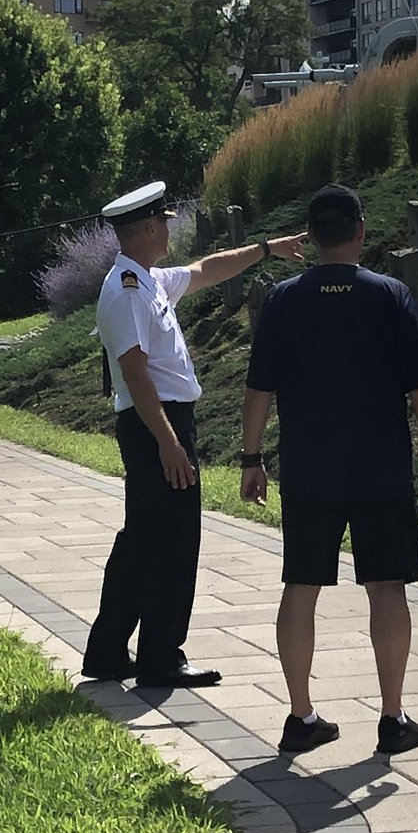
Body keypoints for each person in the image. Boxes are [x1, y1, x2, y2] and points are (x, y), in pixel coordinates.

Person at [240, 182, 418, 754]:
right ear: (360, 232)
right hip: (380, 467)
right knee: (387, 585)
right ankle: (392, 718)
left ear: (308, 239)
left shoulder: (282, 299)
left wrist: (252, 458)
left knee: (300, 586)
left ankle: (301, 716)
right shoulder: (390, 296)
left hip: (309, 469)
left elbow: (259, 388)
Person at [82, 180, 306, 688]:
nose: (168, 231)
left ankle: (108, 652)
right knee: (172, 541)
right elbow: (136, 374)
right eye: (162, 223)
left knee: (144, 539)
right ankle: (161, 656)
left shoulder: (148, 280)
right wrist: (168, 442)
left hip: (159, 424)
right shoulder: (127, 292)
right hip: (155, 425)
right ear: (146, 227)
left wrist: (267, 248)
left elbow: (209, 268)